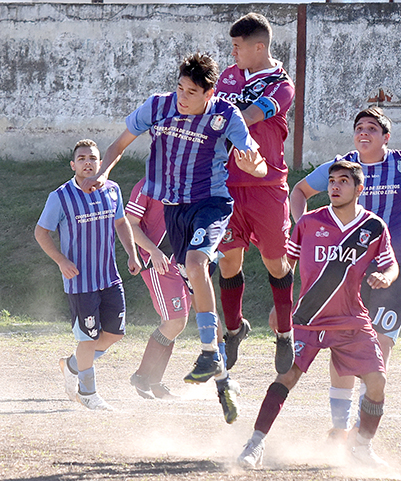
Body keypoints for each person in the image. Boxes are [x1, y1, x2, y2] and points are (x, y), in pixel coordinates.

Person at [80, 52, 267, 424]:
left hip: (211, 203)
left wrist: (253, 165)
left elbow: (257, 161)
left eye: (192, 92)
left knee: (196, 264)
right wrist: (102, 174)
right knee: (192, 276)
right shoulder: (158, 106)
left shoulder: (225, 115)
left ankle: (210, 352)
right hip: (175, 211)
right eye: (180, 88)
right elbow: (119, 144)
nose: (183, 97)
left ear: (210, 93)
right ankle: (216, 371)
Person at [289, 107, 401, 439]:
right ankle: (339, 428)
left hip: (399, 266)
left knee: (379, 344)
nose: (364, 133)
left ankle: (363, 434)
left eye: (372, 129)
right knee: (344, 346)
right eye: (359, 128)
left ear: (385, 137)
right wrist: (303, 232)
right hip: (347, 269)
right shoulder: (343, 167)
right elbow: (300, 191)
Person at [238, 161, 399, 470]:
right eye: (332, 181)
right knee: (287, 376)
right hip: (307, 318)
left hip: (352, 320)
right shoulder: (309, 222)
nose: (335, 186)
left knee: (377, 383)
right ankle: (255, 443)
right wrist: (279, 303)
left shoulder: (373, 227)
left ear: (359, 189)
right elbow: (286, 267)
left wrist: (387, 277)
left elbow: (390, 264)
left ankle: (361, 447)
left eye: (343, 181)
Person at [215, 12, 296, 375]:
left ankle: (284, 333)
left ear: (258, 47)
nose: (232, 53)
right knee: (229, 261)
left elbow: (246, 117)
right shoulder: (226, 78)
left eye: (237, 47)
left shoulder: (281, 84)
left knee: (275, 263)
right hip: (228, 186)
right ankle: (234, 330)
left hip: (266, 187)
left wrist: (219, 116)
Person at [35, 139, 142, 411]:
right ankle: (88, 391)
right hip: (80, 281)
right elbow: (41, 232)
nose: (87, 162)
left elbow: (120, 222)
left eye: (92, 158)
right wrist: (61, 260)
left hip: (109, 277)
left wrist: (132, 253)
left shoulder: (113, 190)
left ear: (100, 163)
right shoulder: (60, 197)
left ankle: (72, 365)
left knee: (115, 333)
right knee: (87, 338)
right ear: (73, 165)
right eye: (81, 158)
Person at [126, 178, 189, 401]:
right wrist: (152, 251)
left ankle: (155, 381)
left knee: (175, 323)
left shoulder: (192, 179)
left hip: (182, 260)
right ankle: (142, 376)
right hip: (158, 261)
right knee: (174, 322)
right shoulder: (147, 185)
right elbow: (129, 223)